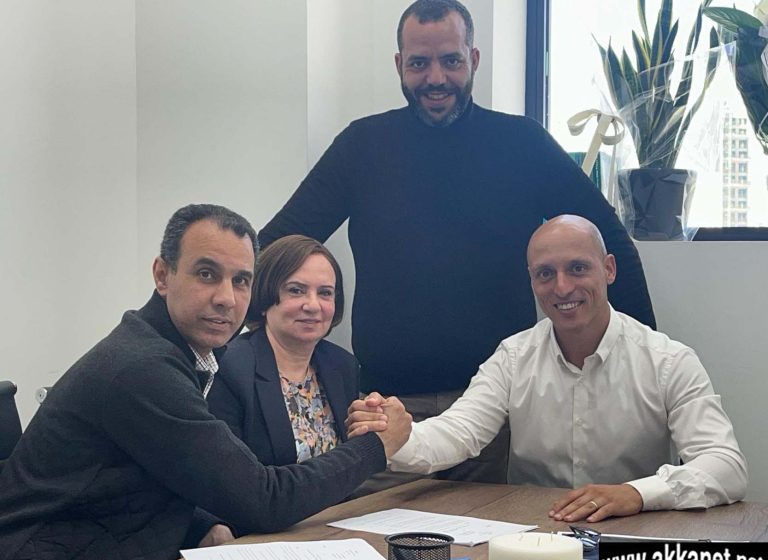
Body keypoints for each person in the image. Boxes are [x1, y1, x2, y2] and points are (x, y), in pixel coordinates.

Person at [258, 0, 655, 485]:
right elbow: (276, 247)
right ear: (399, 64)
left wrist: (641, 363)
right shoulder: (362, 146)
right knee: (379, 534)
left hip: (496, 410)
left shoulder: (521, 144)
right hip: (388, 410)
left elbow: (610, 242)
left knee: (488, 533)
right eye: (419, 63)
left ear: (474, 59)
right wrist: (236, 346)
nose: (436, 78)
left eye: (451, 60)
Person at [0, 205, 410, 560]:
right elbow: (264, 500)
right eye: (206, 274)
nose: (226, 298)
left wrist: (201, 524)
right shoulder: (142, 369)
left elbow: (160, 477)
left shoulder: (175, 353)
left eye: (241, 280)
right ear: (163, 275)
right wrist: (376, 445)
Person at [348, 215, 747, 522]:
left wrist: (637, 493)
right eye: (545, 274)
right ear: (532, 280)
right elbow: (458, 433)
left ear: (609, 269)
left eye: (578, 268)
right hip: (534, 533)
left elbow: (726, 466)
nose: (562, 287)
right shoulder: (513, 357)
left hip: (634, 528)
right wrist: (397, 435)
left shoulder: (668, 361)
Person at [207, 235, 358, 468]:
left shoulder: (343, 365)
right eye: (296, 290)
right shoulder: (229, 369)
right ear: (264, 296)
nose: (313, 305)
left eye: (325, 293)